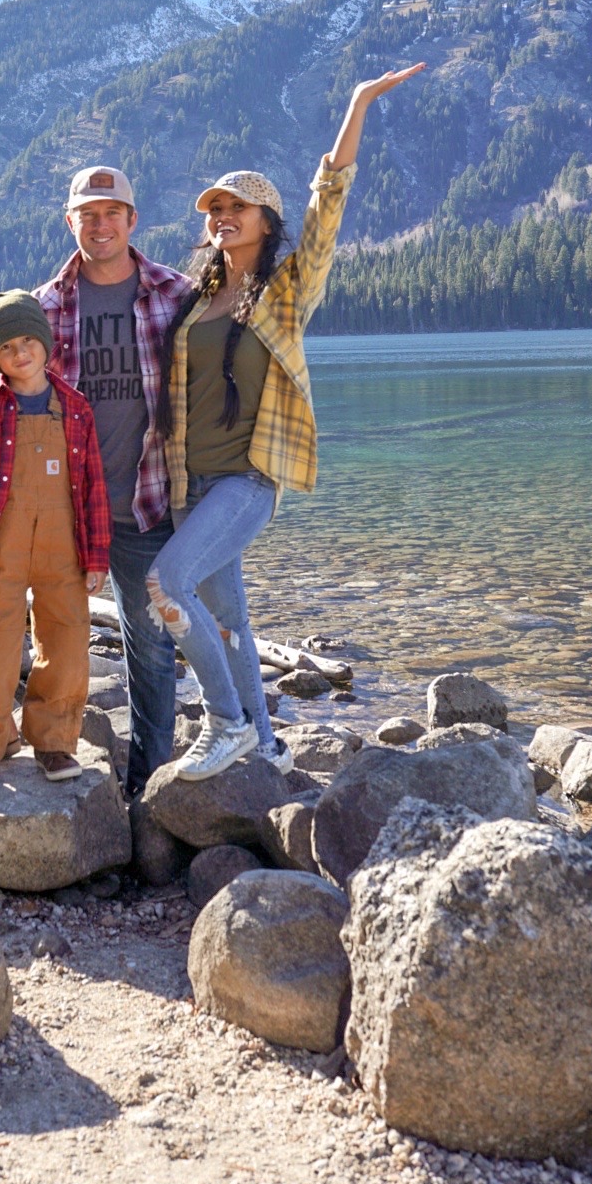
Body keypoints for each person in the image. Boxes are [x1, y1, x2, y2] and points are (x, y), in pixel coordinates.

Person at [147, 65, 425, 782]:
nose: (221, 217)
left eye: (236, 207)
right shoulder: (193, 298)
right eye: (213, 210)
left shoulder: (286, 288)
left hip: (245, 478)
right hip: (190, 480)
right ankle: (266, 745)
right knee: (231, 620)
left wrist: (358, 103)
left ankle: (225, 723)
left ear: (267, 222)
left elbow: (329, 199)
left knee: (165, 585)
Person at [0, 165, 190, 797]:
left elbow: (225, 365)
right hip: (50, 508)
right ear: (69, 220)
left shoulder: (176, 294)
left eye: (113, 213)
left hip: (138, 506)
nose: (100, 225)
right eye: (88, 213)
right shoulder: (43, 307)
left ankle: (147, 785)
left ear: (133, 220)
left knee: (149, 644)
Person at [0, 290, 111, 807]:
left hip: (64, 545)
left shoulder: (77, 408)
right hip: (0, 546)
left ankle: (55, 743)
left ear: (46, 342)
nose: (20, 353)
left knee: (66, 640)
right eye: (7, 346)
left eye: (27, 340)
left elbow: (94, 487)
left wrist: (97, 557)